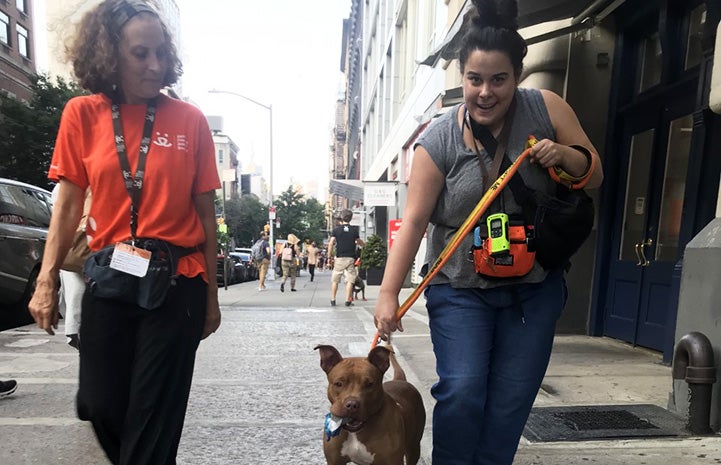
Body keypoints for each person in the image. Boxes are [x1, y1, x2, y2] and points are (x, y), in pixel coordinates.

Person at [373, 1, 603, 464]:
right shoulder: (437, 138)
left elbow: (593, 172)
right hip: (460, 287)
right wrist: (387, 295)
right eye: (475, 79)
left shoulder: (546, 108)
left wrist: (565, 155)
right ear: (462, 76)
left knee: (510, 401)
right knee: (461, 389)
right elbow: (415, 222)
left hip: (534, 286)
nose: (485, 92)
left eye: (498, 79)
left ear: (517, 75)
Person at [27, 1, 221, 464]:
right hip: (110, 275)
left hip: (178, 280)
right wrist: (46, 279)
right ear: (109, 55)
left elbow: (207, 216)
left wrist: (211, 296)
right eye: (140, 54)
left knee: (154, 415)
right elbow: (68, 204)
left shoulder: (189, 120)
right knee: (98, 402)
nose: (155, 65)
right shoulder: (82, 115)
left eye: (160, 53)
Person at [328, 209, 365, 307]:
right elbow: (358, 241)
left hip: (339, 258)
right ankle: (347, 300)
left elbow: (331, 243)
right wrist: (363, 245)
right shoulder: (354, 230)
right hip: (350, 258)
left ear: (341, 217)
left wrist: (329, 256)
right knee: (350, 279)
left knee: (335, 279)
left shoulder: (336, 230)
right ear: (351, 218)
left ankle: (333, 299)